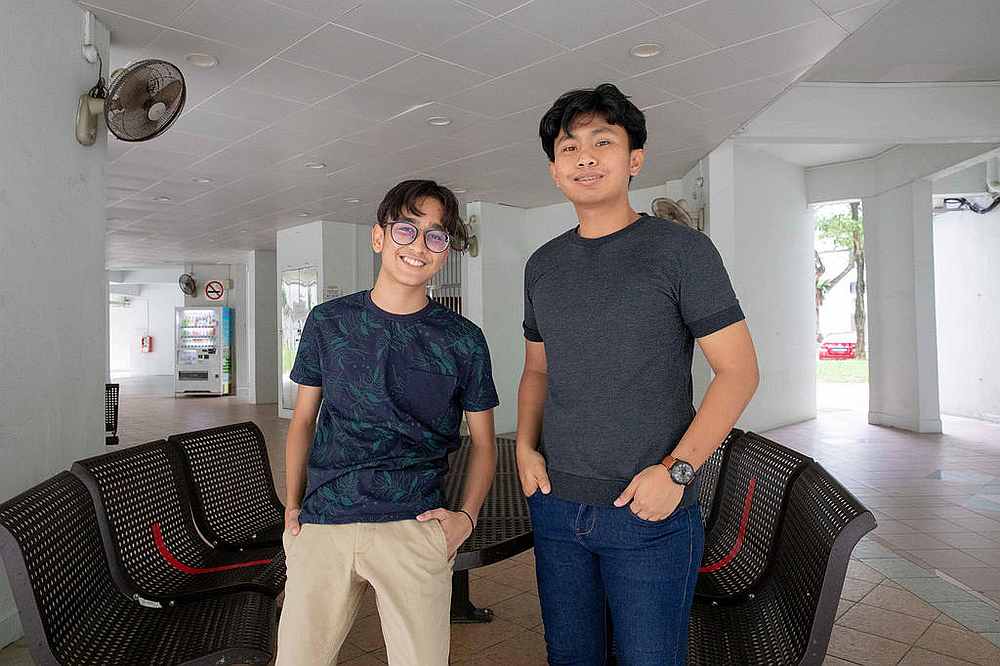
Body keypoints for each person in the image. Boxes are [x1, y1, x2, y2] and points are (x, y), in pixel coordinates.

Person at [516, 83, 760, 665]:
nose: (585, 158)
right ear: (555, 171)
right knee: (571, 657)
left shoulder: (682, 251)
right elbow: (537, 369)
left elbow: (739, 372)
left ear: (635, 160)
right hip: (556, 507)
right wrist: (524, 448)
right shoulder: (543, 264)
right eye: (570, 148)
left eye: (603, 142)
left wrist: (677, 472)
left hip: (648, 508)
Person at [276, 179, 499, 666]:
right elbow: (303, 420)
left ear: (445, 251)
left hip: (414, 524)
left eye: (435, 236)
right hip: (325, 519)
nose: (419, 246)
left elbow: (485, 443)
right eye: (406, 230)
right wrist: (292, 508)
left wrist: (465, 519)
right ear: (378, 237)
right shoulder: (328, 322)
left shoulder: (462, 339)